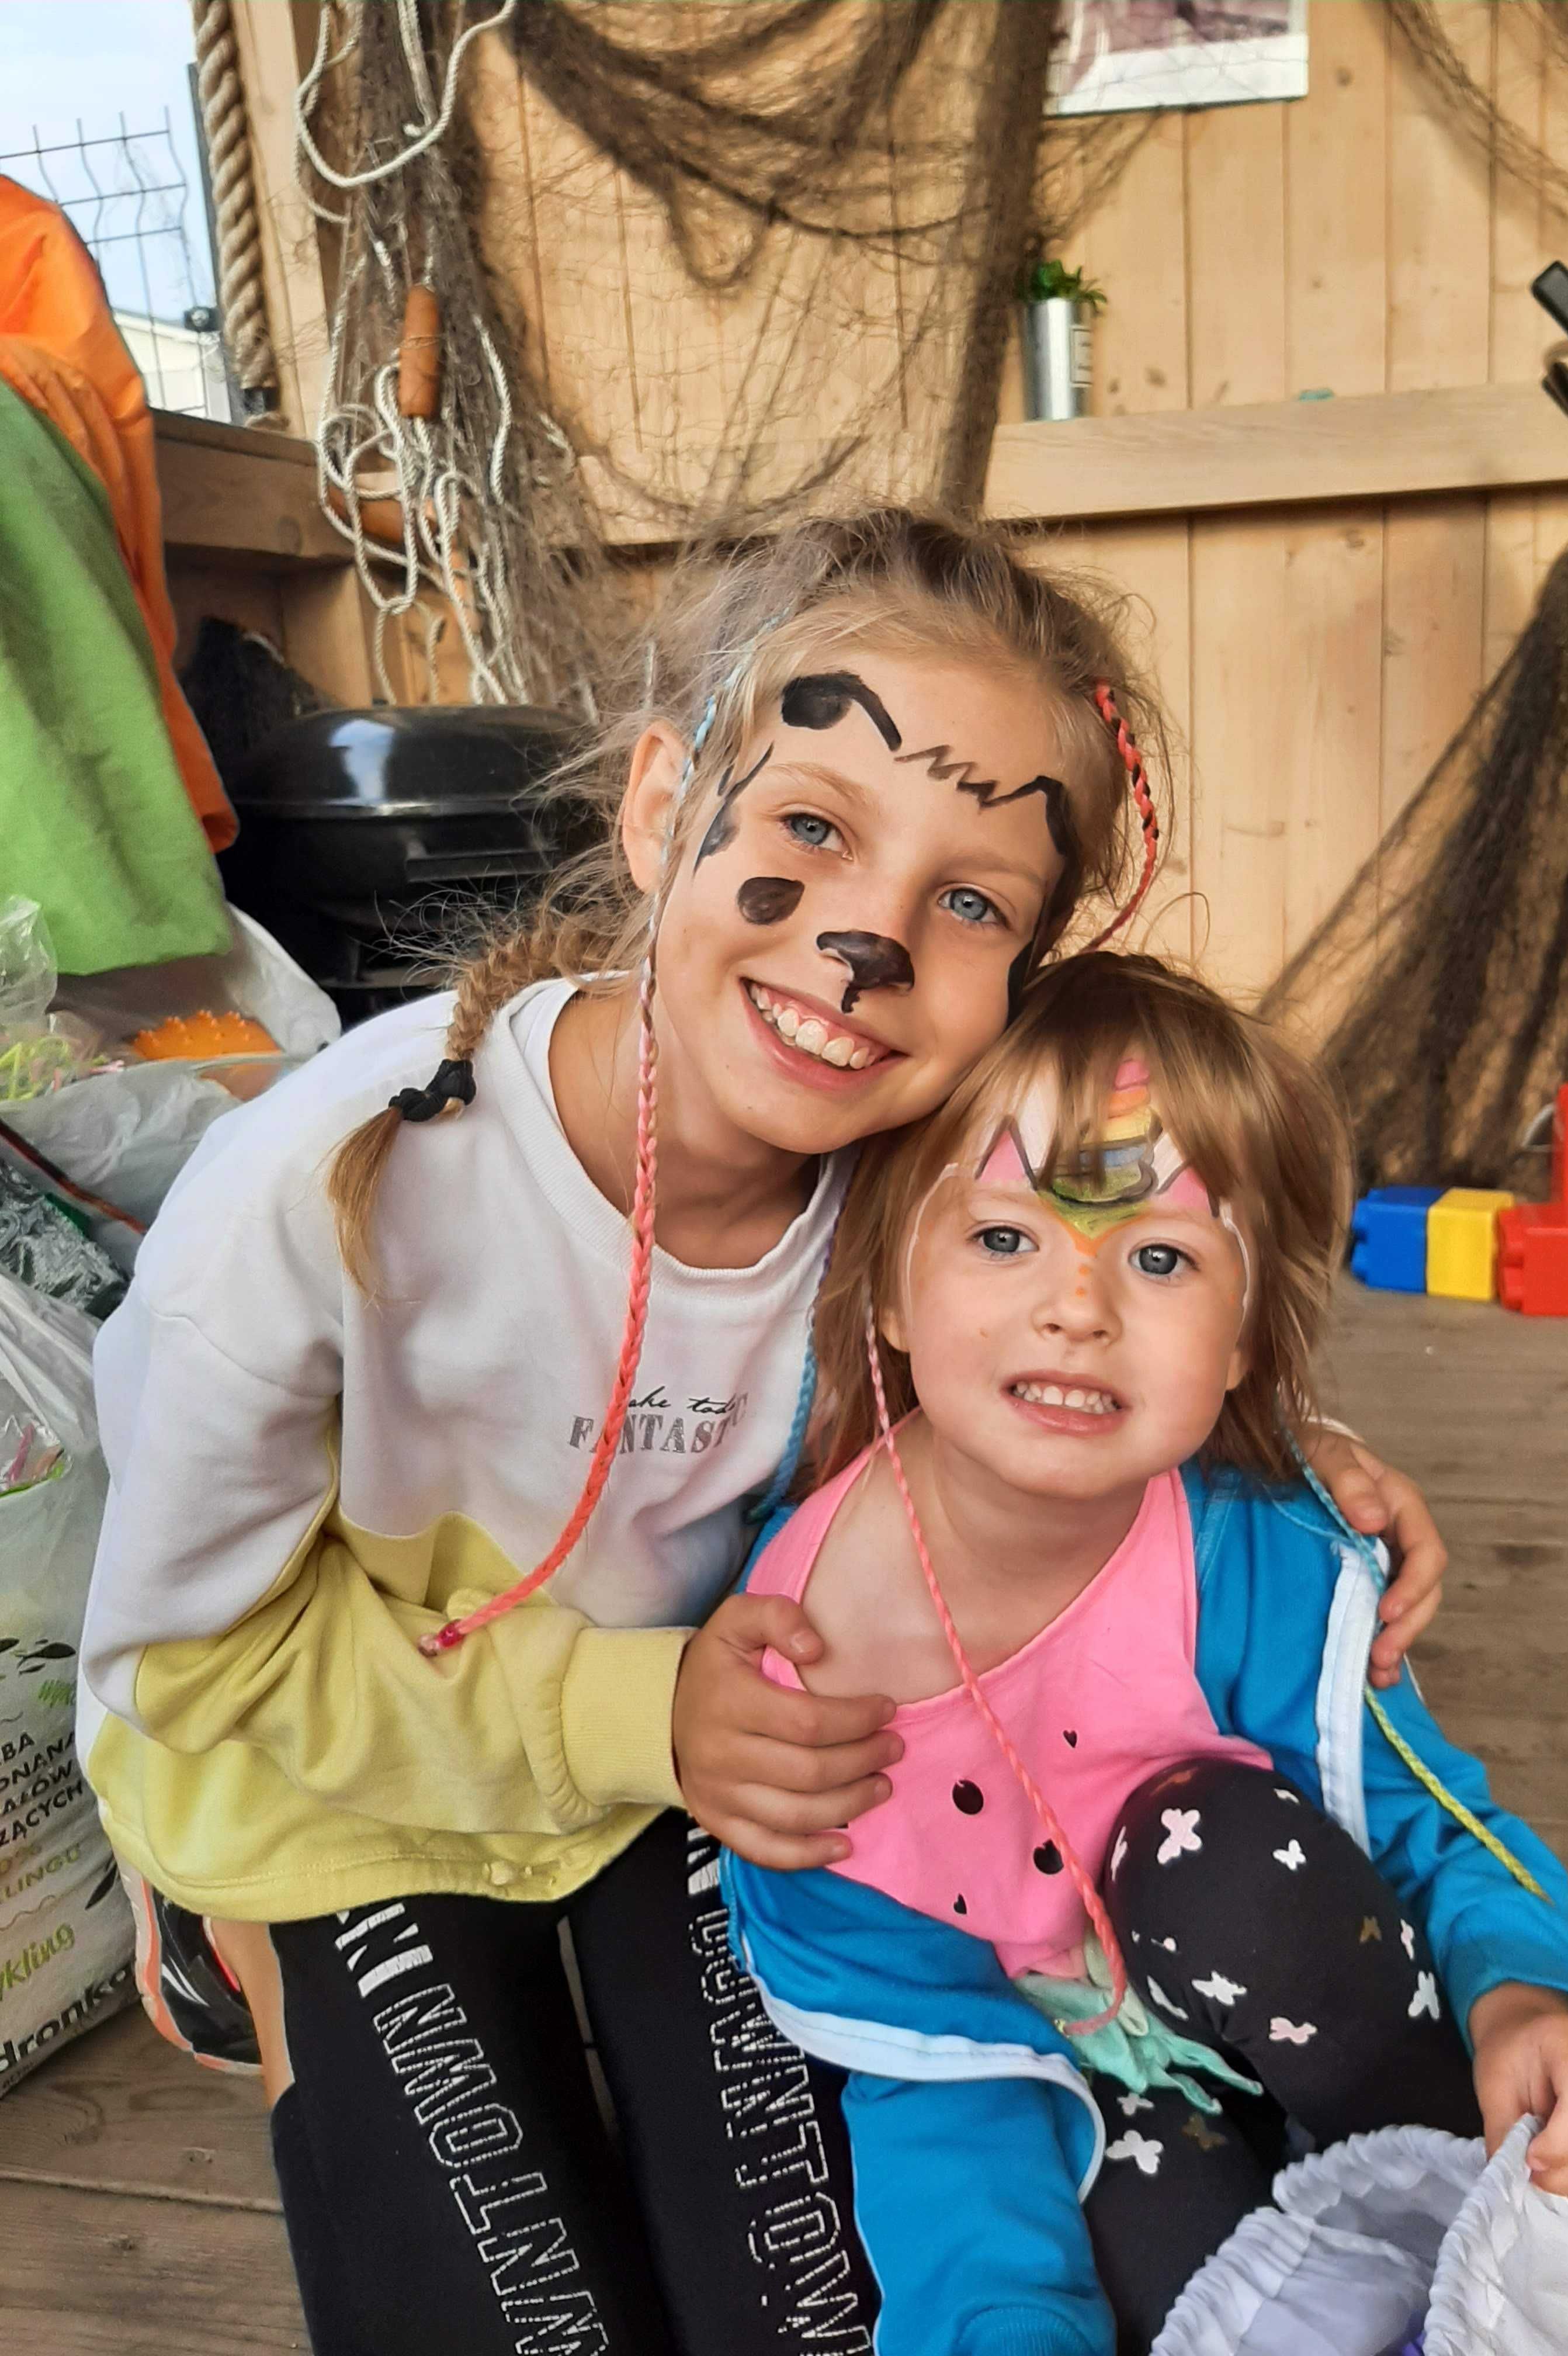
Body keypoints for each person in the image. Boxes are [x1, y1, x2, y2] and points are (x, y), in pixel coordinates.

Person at [78, 510, 1450, 2356]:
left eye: (971, 900)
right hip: (336, 1781)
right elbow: (193, 1679)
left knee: (797, 2312)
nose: (869, 934)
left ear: (1015, 984)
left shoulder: (909, 1197)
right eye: (811, 826)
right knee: (518, 2316)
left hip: (711, 1765)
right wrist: (639, 1714)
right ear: (663, 813)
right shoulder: (305, 1207)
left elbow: (1077, 1315)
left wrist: (1262, 1456)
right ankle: (226, 1951)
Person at [722, 949, 1568, 2356]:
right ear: (886, 1294)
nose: (1079, 1307)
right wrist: (995, 2321)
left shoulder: (1258, 1554)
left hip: (1339, 2015)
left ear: (1239, 1339)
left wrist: (1534, 1996)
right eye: (1003, 1239)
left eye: (1161, 1257)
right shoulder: (800, 1690)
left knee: (1215, 1851)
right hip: (1076, 2092)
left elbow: (1431, 1815)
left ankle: (1480, 2202)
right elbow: (939, 2083)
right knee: (1185, 2301)